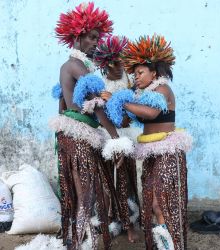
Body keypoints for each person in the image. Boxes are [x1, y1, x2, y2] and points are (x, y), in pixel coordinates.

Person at [105, 35, 193, 249]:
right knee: (153, 203)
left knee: (161, 204)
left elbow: (152, 114)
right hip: (152, 153)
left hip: (167, 152)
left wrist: (122, 101)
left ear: (155, 72)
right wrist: (109, 104)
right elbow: (130, 118)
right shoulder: (143, 95)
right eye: (134, 73)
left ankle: (169, 246)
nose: (136, 77)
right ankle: (164, 243)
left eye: (140, 72)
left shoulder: (162, 90)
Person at [49, 3, 125, 250]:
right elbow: (97, 104)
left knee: (82, 193)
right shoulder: (75, 65)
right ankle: (80, 243)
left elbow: (63, 104)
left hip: (74, 134)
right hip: (78, 135)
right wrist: (115, 140)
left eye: (98, 38)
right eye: (92, 37)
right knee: (86, 194)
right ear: (78, 35)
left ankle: (78, 240)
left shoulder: (74, 66)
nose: (96, 43)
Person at [93, 35, 140, 243]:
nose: (120, 67)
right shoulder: (99, 84)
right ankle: (110, 219)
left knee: (125, 180)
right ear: (105, 65)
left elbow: (129, 115)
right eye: (115, 64)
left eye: (122, 62)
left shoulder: (129, 81)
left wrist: (122, 110)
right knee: (106, 182)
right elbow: (99, 114)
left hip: (125, 135)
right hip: (105, 136)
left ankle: (129, 223)